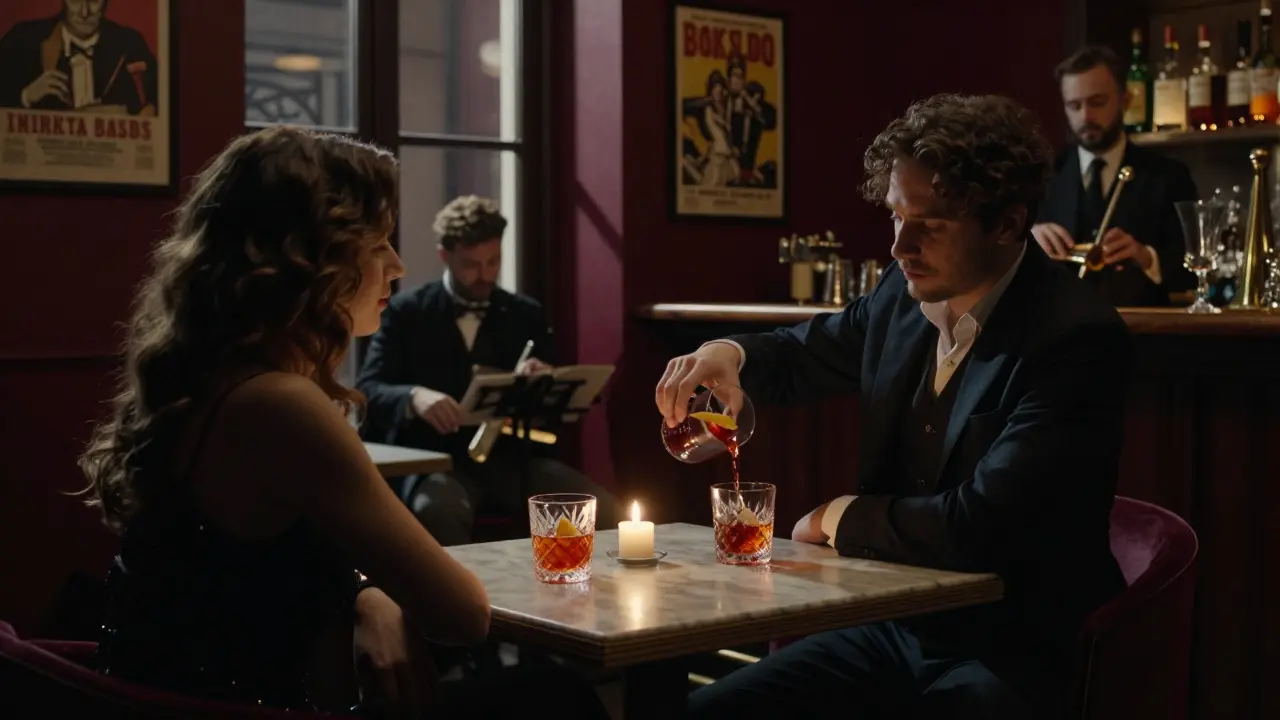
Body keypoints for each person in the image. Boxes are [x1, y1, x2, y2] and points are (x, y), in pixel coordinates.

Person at [78, 127, 609, 719]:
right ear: (308, 258)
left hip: (166, 698)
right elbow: (462, 616)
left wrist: (366, 592)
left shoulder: (213, 380)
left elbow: (277, 565)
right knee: (561, 697)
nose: (398, 265)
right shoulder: (283, 406)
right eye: (377, 243)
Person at [656, 94, 1127, 718]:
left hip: (1011, 650)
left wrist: (839, 516)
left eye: (930, 225)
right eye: (896, 216)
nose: (902, 245)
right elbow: (807, 351)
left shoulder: (1076, 338)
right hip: (894, 630)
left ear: (1008, 224)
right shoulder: (902, 296)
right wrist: (729, 354)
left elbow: (983, 524)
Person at [357, 195, 619, 546]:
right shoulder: (406, 312)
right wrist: (415, 397)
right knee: (439, 509)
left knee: (602, 509)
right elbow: (369, 388)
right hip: (437, 462)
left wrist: (541, 379)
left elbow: (552, 415)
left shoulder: (524, 313)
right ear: (444, 256)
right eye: (471, 264)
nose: (485, 274)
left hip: (511, 460)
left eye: (493, 261)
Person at [1034, 44, 1197, 306]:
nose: (1086, 116)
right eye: (1074, 106)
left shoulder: (1169, 176)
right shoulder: (1043, 176)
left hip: (1143, 328)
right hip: (1061, 327)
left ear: (1125, 100)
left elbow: (1195, 269)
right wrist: (1029, 243)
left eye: (1097, 102)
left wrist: (1148, 258)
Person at [0, 0, 159, 114]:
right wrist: (26, 96)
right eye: (75, 0)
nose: (84, 13)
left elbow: (161, 96)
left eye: (94, 1)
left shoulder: (130, 43)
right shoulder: (23, 38)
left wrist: (149, 113)